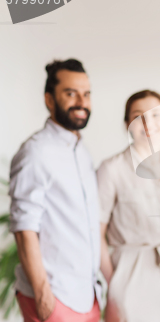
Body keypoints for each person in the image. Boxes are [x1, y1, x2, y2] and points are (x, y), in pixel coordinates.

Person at [9, 59, 101, 322]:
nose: (81, 102)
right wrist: (42, 294)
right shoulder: (35, 152)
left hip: (87, 296)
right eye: (70, 94)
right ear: (49, 99)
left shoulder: (83, 152)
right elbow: (24, 227)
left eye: (86, 94)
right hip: (54, 297)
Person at [97, 90, 160, 322]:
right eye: (138, 116)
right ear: (127, 124)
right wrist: (114, 283)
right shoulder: (111, 169)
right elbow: (97, 232)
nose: (148, 123)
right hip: (132, 270)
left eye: (155, 115)